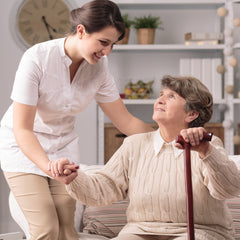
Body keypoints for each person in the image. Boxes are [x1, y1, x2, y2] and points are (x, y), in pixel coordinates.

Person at [0, 0, 153, 239]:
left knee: (68, 229)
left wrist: (169, 138)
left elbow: (126, 122)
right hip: (23, 146)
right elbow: (23, 129)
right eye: (103, 42)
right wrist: (48, 167)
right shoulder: (37, 58)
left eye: (113, 44)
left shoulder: (99, 67)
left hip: (63, 146)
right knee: (46, 227)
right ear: (81, 31)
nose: (107, 51)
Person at [51, 75, 240, 240]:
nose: (160, 100)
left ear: (191, 114)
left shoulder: (208, 145)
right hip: (140, 231)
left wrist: (206, 152)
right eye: (161, 95)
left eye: (171, 96)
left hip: (201, 231)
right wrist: (74, 178)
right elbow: (104, 188)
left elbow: (228, 189)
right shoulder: (134, 145)